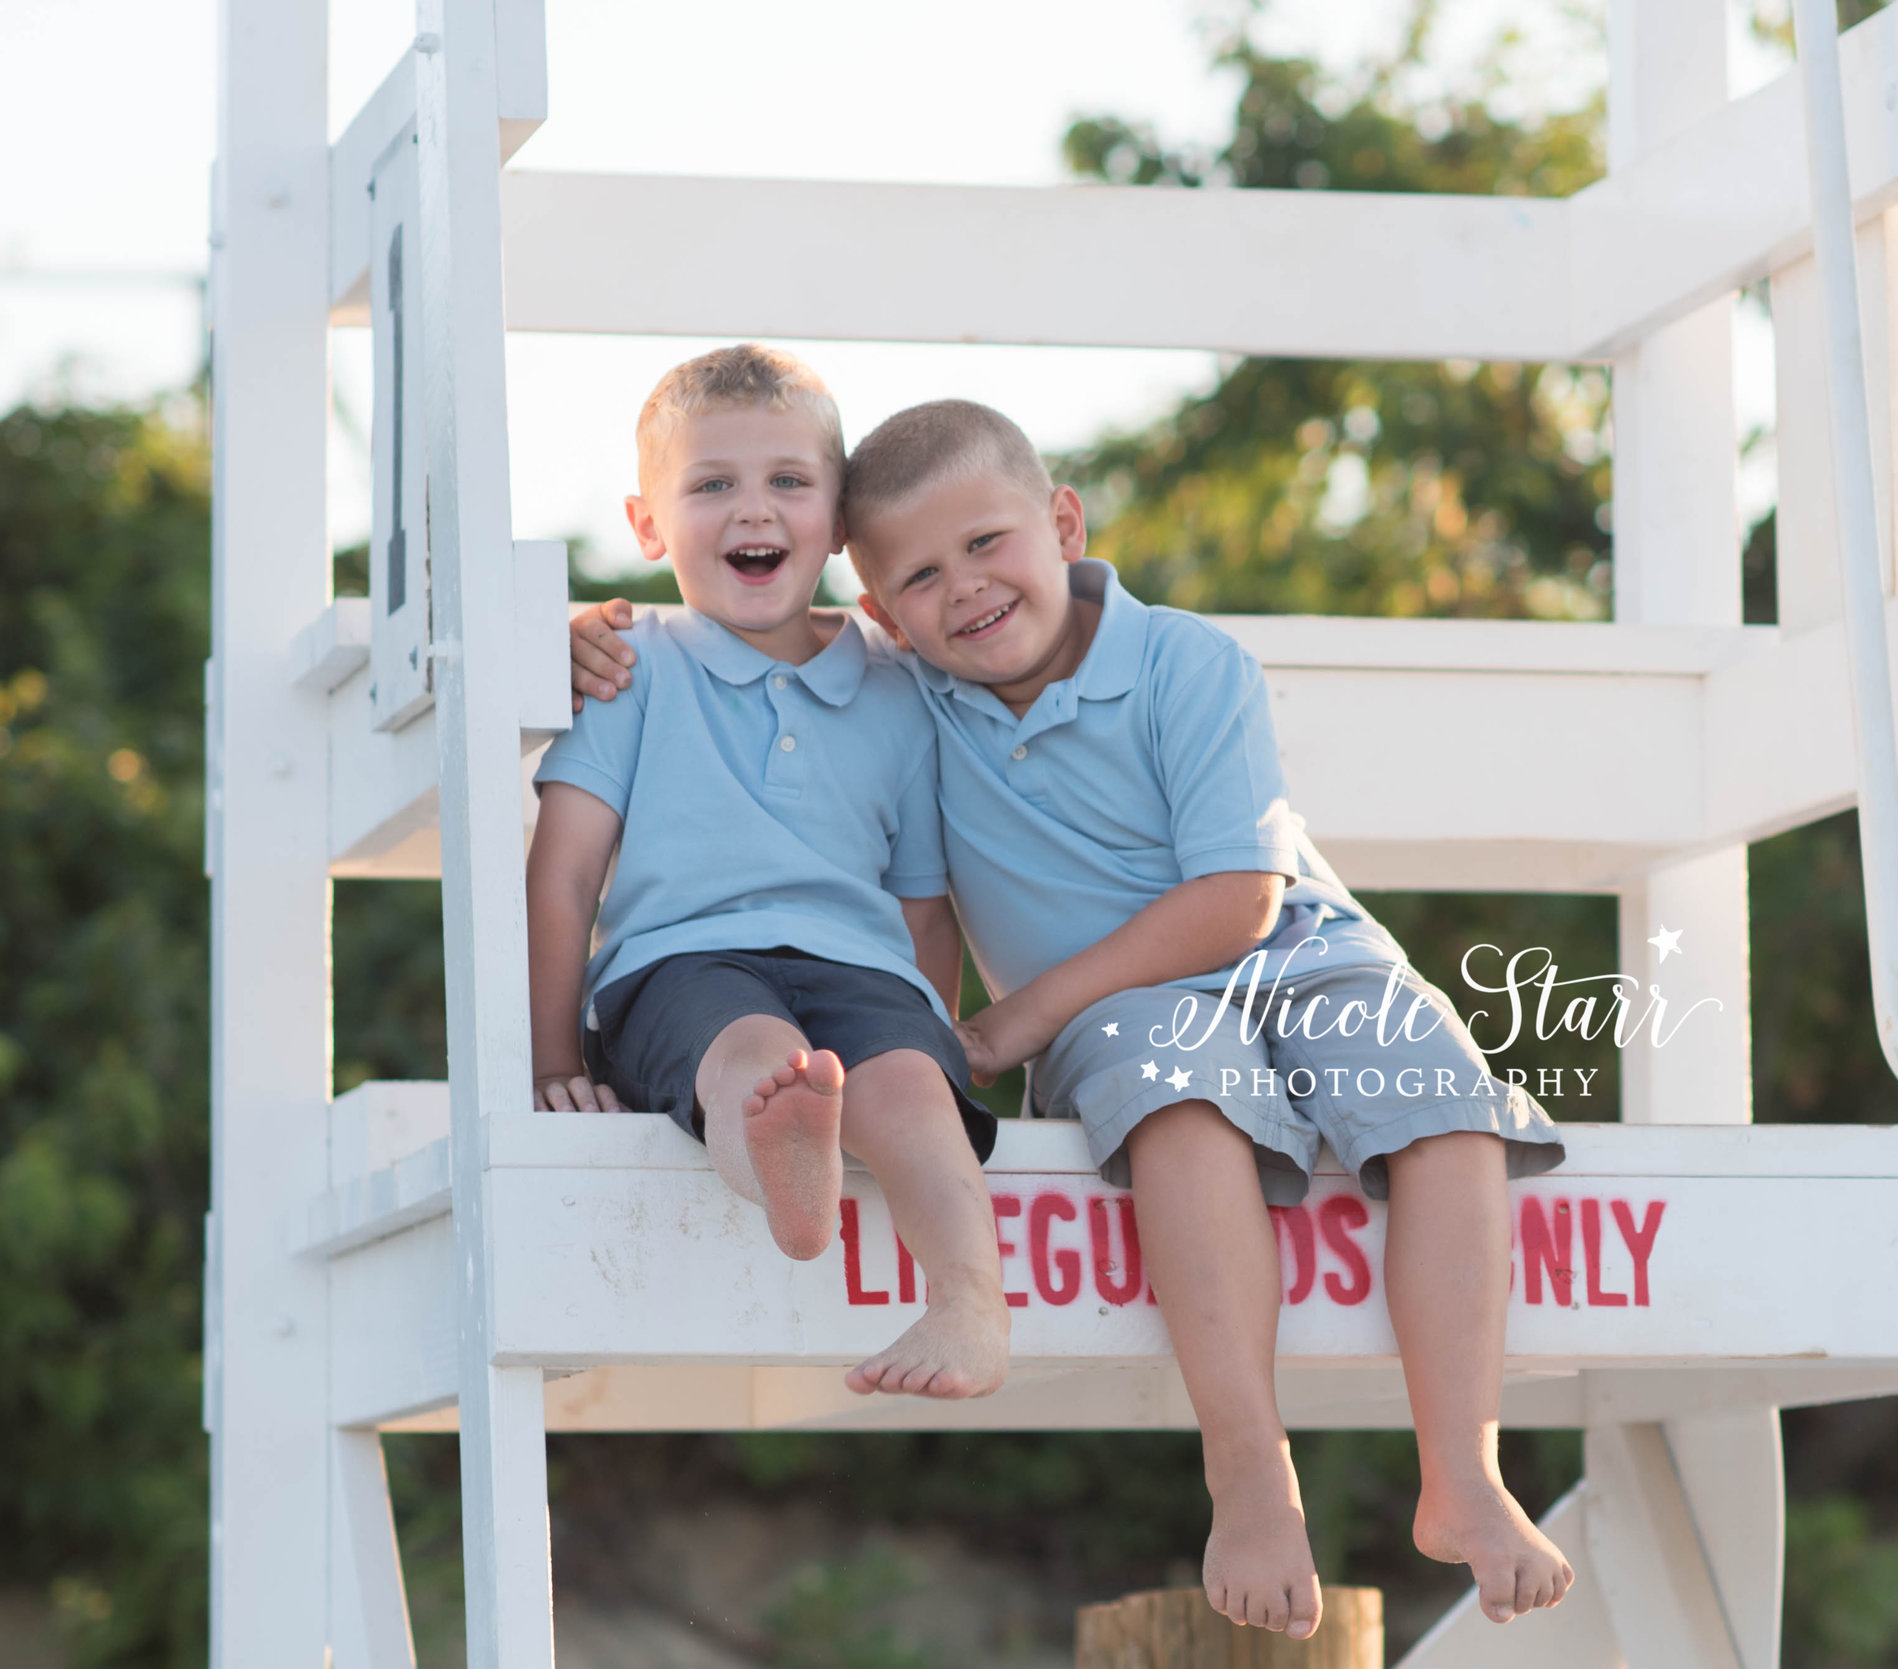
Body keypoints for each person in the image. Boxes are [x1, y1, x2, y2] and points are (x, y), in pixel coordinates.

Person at [569, 398, 1574, 1636]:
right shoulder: (907, 695)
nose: (967, 591)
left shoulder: (1186, 662)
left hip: (1298, 954)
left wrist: (1010, 1021)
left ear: (1061, 520)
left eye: (989, 544)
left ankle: (1463, 1472)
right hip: (1128, 1017)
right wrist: (587, 632)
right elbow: (758, 650)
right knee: (1183, 1106)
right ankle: (1251, 1470)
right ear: (881, 614)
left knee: (1437, 1093)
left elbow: (1237, 902)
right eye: (921, 579)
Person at [530, 348, 1008, 1401]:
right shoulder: (630, 663)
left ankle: (970, 1297)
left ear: (837, 517)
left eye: (789, 481)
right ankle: (787, 1165)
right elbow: (562, 875)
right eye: (712, 485)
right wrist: (553, 1057)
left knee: (906, 1086)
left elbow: (922, 905)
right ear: (648, 524)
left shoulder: (896, 690)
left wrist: (934, 1028)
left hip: (861, 967)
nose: (755, 509)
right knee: (752, 1053)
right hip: (681, 962)